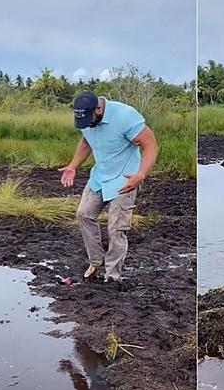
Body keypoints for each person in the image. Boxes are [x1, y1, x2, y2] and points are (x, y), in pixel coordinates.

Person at [58, 91, 158, 286]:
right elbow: (87, 142)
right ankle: (96, 262)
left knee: (116, 229)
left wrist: (141, 175)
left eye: (89, 118)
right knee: (83, 214)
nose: (87, 123)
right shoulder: (88, 120)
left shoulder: (125, 116)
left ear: (98, 108)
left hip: (125, 179)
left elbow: (150, 145)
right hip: (99, 177)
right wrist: (73, 166)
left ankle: (112, 276)